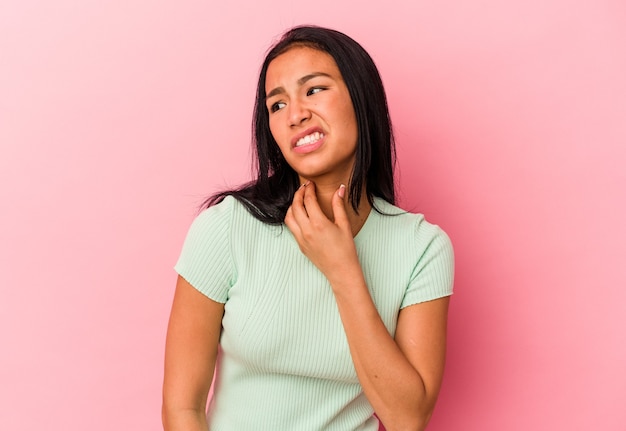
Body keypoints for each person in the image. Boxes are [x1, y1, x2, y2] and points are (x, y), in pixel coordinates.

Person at [162, 25, 454, 431]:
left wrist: (343, 270)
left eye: (314, 90)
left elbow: (407, 418)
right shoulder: (226, 228)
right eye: (277, 105)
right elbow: (182, 409)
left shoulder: (422, 248)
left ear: (361, 98)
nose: (295, 114)